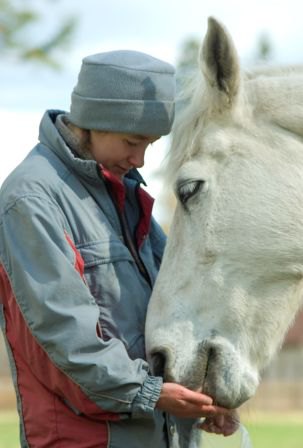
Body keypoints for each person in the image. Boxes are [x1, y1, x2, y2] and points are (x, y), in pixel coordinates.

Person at [0, 50, 238, 448]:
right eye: (133, 141)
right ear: (94, 121)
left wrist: (201, 393)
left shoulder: (124, 191)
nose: (140, 158)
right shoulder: (31, 199)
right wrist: (150, 393)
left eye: (151, 144)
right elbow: (62, 337)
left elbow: (175, 305)